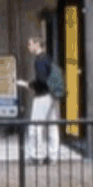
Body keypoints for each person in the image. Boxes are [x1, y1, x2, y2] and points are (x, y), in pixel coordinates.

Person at [17, 36, 60, 165]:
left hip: (42, 96)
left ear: (37, 44)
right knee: (52, 127)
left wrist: (27, 84)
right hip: (52, 96)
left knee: (35, 127)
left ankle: (36, 156)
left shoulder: (39, 60)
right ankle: (53, 156)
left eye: (30, 44)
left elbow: (41, 80)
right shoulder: (48, 58)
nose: (29, 47)